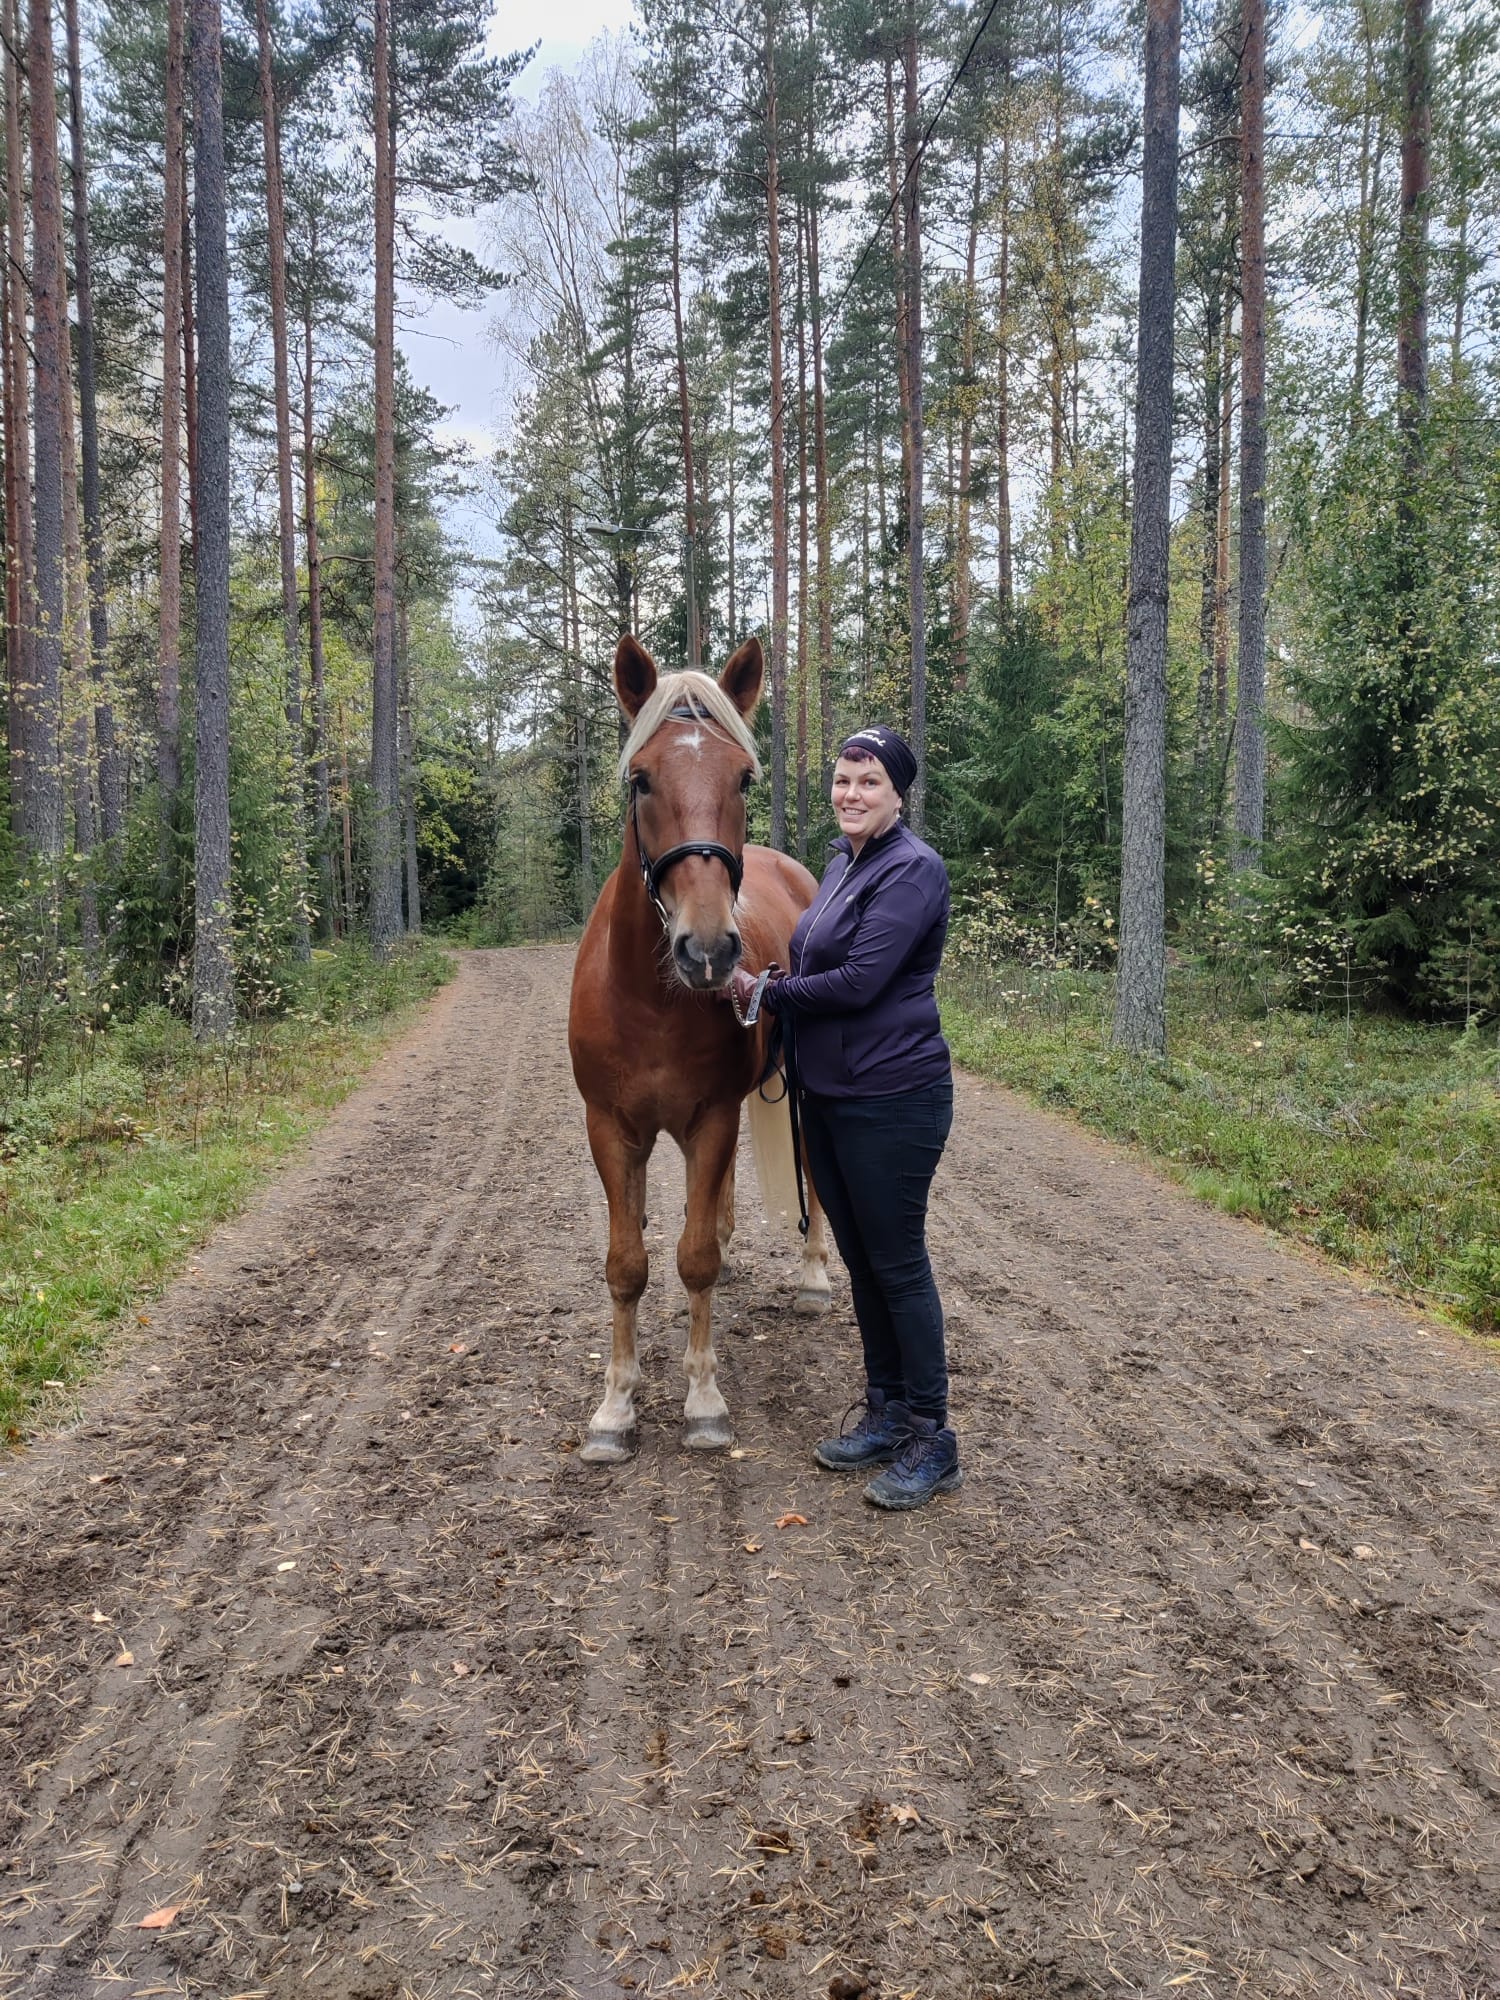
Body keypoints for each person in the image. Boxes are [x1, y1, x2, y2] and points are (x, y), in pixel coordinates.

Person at [726, 725, 959, 1510]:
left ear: (898, 795)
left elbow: (860, 982)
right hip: (830, 1094)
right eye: (843, 780)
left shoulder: (913, 871)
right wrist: (774, 978)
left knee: (897, 1264)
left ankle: (934, 1437)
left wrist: (766, 994)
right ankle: (889, 1411)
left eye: (869, 782)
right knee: (861, 1260)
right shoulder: (842, 861)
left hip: (893, 1097)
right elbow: (818, 957)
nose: (852, 794)